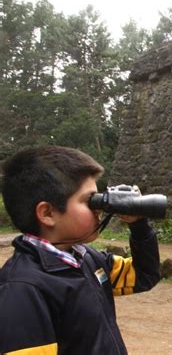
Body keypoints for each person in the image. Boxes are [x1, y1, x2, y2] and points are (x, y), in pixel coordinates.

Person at [0, 146, 161, 354]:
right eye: (89, 200)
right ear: (47, 213)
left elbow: (143, 275)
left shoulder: (86, 259)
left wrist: (138, 225)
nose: (100, 208)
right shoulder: (22, 289)